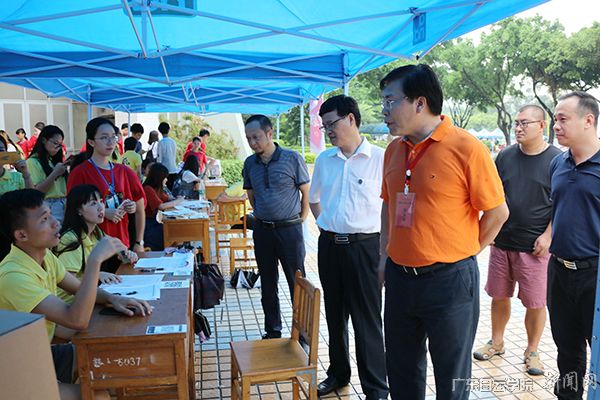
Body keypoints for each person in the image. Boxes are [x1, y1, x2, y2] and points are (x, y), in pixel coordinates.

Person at [378, 64, 508, 400]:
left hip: (449, 282)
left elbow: (497, 212)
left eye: (390, 101)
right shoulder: (393, 150)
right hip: (400, 279)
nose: (384, 111)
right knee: (402, 371)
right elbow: (388, 205)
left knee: (452, 377)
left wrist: (464, 253)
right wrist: (383, 258)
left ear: (419, 103)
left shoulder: (466, 147)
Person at [0, 189, 152, 400]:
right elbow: (76, 320)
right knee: (98, 395)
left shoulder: (44, 256)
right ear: (21, 235)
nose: (55, 223)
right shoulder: (13, 276)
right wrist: (95, 262)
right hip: (13, 372)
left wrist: (114, 299)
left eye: (51, 214)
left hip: (39, 353)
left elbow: (80, 289)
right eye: (44, 219)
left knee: (111, 365)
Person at [309, 95, 388, 399]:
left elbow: (391, 208)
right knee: (334, 314)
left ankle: (375, 388)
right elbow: (314, 199)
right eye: (324, 125)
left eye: (332, 123)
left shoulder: (380, 159)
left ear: (351, 119)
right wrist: (327, 226)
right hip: (330, 247)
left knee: (367, 320)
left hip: (366, 248)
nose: (328, 130)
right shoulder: (325, 160)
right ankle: (338, 374)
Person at [473, 105, 562, 376]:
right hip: (502, 242)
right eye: (516, 123)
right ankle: (496, 341)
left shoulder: (557, 160)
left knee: (535, 302)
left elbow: (562, 203)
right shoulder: (505, 156)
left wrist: (548, 235)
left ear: (542, 126)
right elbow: (492, 196)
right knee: (499, 295)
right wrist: (488, 232)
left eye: (525, 123)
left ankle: (532, 351)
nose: (518, 128)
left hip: (535, 247)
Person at [547, 91, 600, 399]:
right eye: (555, 119)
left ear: (588, 120)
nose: (556, 126)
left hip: (595, 275)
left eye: (563, 119)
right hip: (559, 271)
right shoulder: (558, 164)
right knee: (566, 351)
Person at [242, 114, 310, 339]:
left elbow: (306, 193)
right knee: (268, 283)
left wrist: (300, 219)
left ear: (269, 133)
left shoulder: (292, 158)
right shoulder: (250, 163)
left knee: (297, 283)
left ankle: (302, 334)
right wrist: (263, 215)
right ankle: (273, 330)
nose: (252, 143)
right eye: (249, 138)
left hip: (290, 230)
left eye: (256, 137)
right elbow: (252, 196)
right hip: (262, 230)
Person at [67, 117, 146, 252]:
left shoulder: (125, 171)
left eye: (113, 137)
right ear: (91, 142)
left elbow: (140, 208)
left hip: (122, 245)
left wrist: (139, 241)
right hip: (92, 248)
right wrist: (103, 213)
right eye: (104, 137)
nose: (110, 142)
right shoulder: (80, 172)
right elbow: (72, 209)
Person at [54, 184, 138, 303]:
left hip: (87, 298)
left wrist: (127, 255)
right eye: (93, 203)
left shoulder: (95, 232)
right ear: (78, 210)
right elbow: (68, 283)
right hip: (69, 304)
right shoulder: (70, 239)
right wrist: (97, 274)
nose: (101, 207)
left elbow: (118, 247)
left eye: (101, 201)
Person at [27, 125, 68, 224]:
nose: (57, 147)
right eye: (55, 143)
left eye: (60, 145)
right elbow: (37, 192)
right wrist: (55, 173)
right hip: (49, 206)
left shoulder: (53, 161)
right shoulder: (32, 162)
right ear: (44, 140)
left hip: (64, 204)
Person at [143, 163, 184, 250]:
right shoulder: (148, 189)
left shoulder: (157, 189)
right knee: (173, 231)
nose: (166, 180)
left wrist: (177, 199)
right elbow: (161, 206)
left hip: (156, 221)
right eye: (165, 177)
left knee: (178, 230)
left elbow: (168, 199)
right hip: (149, 224)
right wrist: (177, 201)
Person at [156, 122, 178, 190]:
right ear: (169, 130)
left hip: (164, 171)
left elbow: (159, 159)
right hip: (174, 169)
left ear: (160, 131)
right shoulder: (173, 142)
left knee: (165, 190)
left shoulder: (161, 142)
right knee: (172, 190)